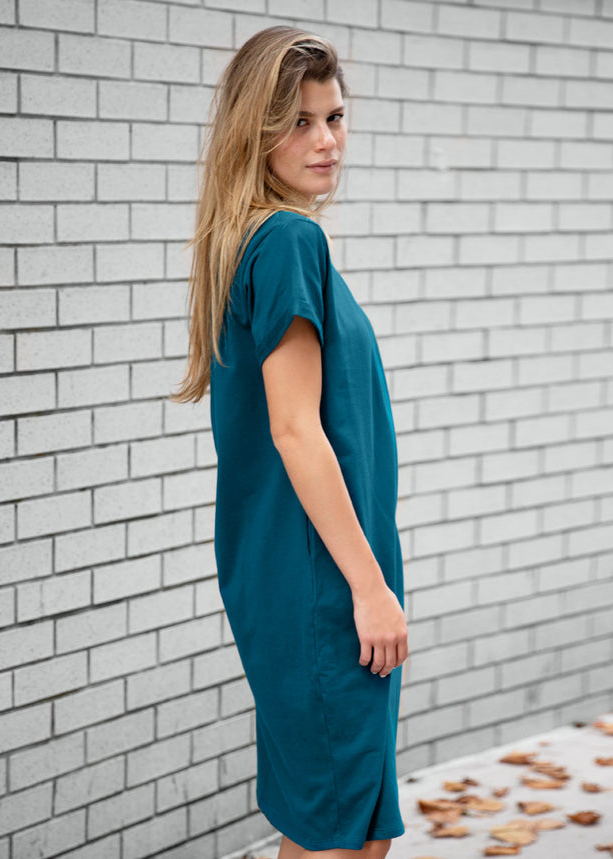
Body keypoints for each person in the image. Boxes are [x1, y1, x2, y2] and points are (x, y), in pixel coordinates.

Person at [171, 26, 408, 859]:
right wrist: (370, 588)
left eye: (334, 117)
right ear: (255, 131)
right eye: (299, 122)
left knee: (346, 823)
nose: (326, 140)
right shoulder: (288, 241)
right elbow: (294, 428)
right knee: (339, 831)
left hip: (305, 570)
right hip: (324, 581)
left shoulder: (256, 241)